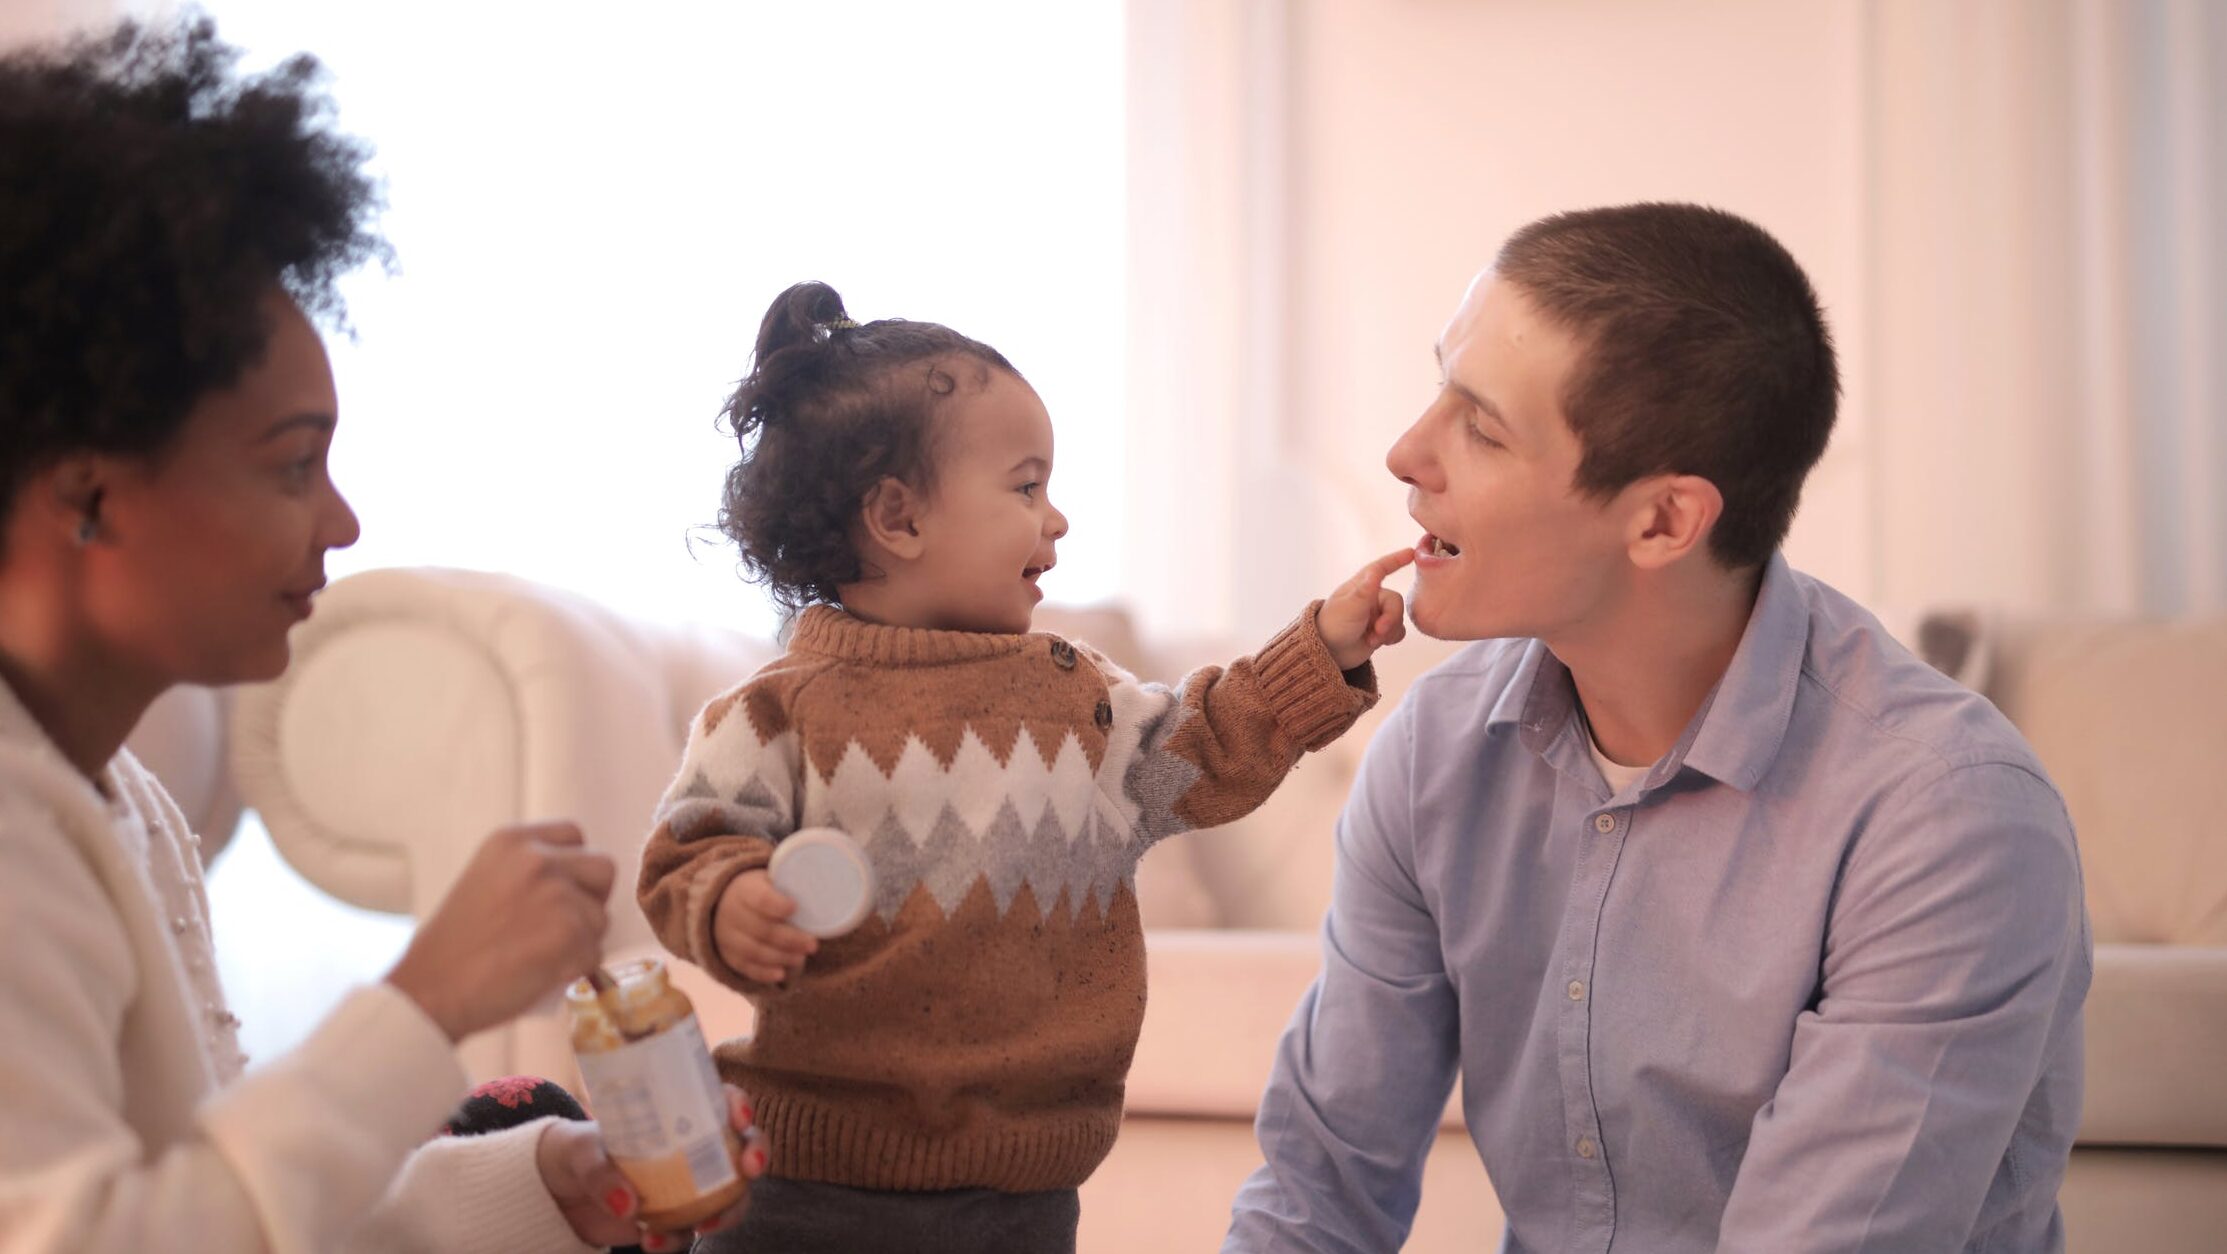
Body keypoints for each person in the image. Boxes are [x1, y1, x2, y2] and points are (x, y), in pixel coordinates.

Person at [0, 18, 762, 1253]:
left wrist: (548, 1183)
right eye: (292, 464)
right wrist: (427, 1002)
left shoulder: (119, 799)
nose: (342, 521)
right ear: (89, 496)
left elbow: (230, 1213)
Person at [1224, 203, 2090, 1253]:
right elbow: (1318, 1195)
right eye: (1438, 391)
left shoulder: (1947, 819)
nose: (1407, 453)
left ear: (1663, 521)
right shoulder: (1435, 751)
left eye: (1482, 428)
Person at [635, 280, 1412, 1254]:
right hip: (809, 1186)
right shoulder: (777, 713)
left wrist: (1322, 653)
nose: (1057, 520)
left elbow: (1207, 747)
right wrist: (726, 899)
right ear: (898, 518)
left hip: (1025, 1192)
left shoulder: (1070, 698)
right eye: (1025, 486)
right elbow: (684, 856)